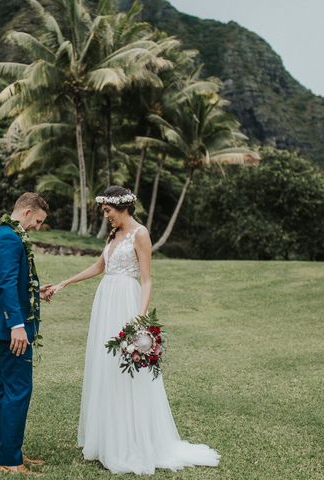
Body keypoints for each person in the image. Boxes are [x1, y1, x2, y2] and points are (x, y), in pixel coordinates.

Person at [48, 186, 220, 475]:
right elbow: (99, 267)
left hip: (126, 303)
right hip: (105, 300)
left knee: (124, 370)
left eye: (108, 211)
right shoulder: (114, 235)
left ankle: (130, 441)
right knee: (105, 366)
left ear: (123, 207)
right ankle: (107, 439)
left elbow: (147, 279)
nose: (107, 217)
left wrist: (140, 319)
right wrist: (63, 284)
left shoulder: (141, 234)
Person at [0, 192, 53, 475]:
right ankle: (9, 459)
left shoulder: (4, 233)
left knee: (5, 388)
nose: (38, 226)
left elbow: (12, 282)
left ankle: (10, 451)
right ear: (28, 212)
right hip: (10, 329)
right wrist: (17, 326)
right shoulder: (9, 239)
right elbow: (7, 284)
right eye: (39, 221)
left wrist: (35, 290)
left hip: (2, 325)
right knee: (18, 389)